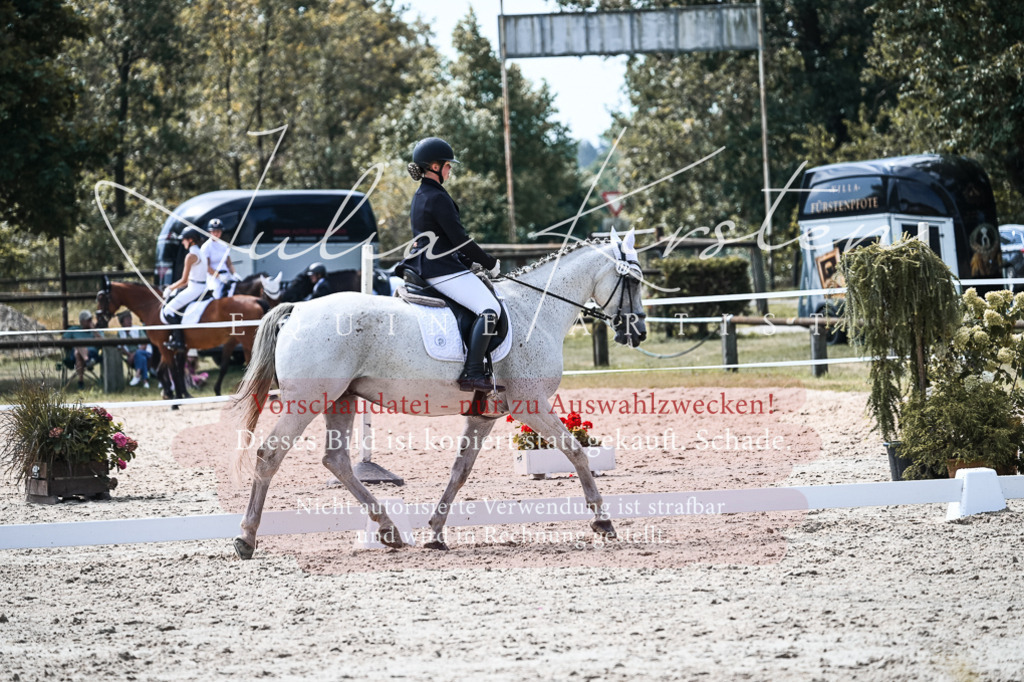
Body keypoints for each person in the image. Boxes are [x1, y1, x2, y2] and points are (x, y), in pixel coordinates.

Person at [400, 136, 503, 392]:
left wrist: (469, 263)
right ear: (434, 166)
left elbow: (445, 240)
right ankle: (473, 372)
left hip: (433, 264)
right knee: (490, 309)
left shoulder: (423, 194)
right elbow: (460, 239)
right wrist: (489, 263)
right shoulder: (437, 197)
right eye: (447, 165)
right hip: (440, 269)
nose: (450, 169)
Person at [162, 227, 207, 350]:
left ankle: (179, 342)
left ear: (191, 240)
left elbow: (184, 280)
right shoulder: (201, 252)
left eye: (184, 240)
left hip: (194, 288)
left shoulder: (191, 256)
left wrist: (170, 288)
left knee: (168, 311)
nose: (182, 242)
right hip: (203, 286)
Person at [201, 218, 240, 298]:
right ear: (210, 232)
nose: (216, 234)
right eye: (214, 231)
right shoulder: (206, 246)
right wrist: (219, 276)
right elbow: (207, 266)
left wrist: (234, 273)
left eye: (218, 231)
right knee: (217, 295)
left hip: (226, 275)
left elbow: (229, 264)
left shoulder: (224, 245)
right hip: (214, 277)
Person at [117, 310, 151, 388]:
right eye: (127, 320)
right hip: (135, 357)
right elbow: (120, 347)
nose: (130, 321)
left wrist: (133, 355)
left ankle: (138, 375)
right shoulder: (120, 333)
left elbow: (144, 344)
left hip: (146, 352)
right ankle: (145, 381)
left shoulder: (137, 329)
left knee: (139, 354)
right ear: (122, 322)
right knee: (142, 359)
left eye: (130, 319)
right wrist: (129, 355)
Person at [66, 310, 99, 390]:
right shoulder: (73, 329)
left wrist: (94, 331)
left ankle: (80, 382)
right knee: (78, 347)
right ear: (82, 321)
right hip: (76, 356)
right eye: (88, 320)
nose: (90, 322)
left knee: (78, 353)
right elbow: (62, 341)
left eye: (91, 319)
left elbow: (103, 341)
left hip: (92, 354)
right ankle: (87, 361)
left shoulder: (95, 330)